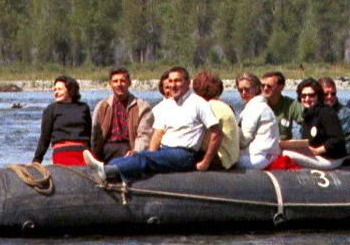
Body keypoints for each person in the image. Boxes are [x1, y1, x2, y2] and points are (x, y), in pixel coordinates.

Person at [82, 67, 220, 185]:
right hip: (165, 150)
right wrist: (150, 154)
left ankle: (106, 172)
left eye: (178, 80)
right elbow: (157, 134)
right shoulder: (167, 105)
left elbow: (217, 133)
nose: (173, 85)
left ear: (187, 82)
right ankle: (100, 170)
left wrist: (205, 162)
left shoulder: (199, 103)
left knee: (143, 158)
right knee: (136, 157)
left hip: (183, 154)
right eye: (171, 81)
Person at [282, 78, 349, 168]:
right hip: (316, 156)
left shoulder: (326, 112)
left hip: (330, 159)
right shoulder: (307, 114)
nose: (307, 99)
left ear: (318, 96)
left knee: (285, 154)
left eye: (311, 95)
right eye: (303, 96)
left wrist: (317, 150)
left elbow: (337, 139)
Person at [90, 67, 150, 163]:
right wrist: (93, 155)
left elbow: (144, 134)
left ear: (129, 83)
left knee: (125, 151)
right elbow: (95, 134)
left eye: (122, 81)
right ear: (110, 84)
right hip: (107, 148)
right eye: (115, 81)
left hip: (129, 146)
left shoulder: (142, 106)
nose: (119, 84)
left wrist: (136, 151)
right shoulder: (102, 106)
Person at [33, 74, 93, 162]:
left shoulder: (83, 107)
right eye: (54, 90)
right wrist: (36, 161)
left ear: (70, 90)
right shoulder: (51, 109)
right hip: (62, 152)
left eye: (60, 89)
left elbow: (89, 134)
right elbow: (44, 138)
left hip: (84, 151)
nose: (56, 92)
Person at [191, 71, 243, 171]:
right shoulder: (223, 105)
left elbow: (215, 135)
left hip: (221, 159)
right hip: (231, 158)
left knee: (182, 158)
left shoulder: (208, 107)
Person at [232, 73, 282, 170]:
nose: (243, 93)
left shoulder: (255, 107)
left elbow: (244, 140)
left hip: (259, 156)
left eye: (247, 89)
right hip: (268, 154)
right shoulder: (262, 105)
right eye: (240, 90)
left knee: (225, 161)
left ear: (256, 88)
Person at [260, 71, 304, 139]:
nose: (265, 88)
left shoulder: (290, 104)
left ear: (281, 87)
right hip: (262, 145)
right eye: (263, 86)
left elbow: (307, 121)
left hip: (283, 146)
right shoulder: (258, 104)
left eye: (269, 86)